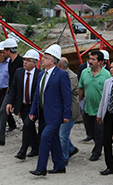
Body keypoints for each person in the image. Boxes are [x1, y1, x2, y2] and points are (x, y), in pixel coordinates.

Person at [29, 44, 72, 176]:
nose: (42, 60)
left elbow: (67, 96)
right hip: (43, 113)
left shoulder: (61, 75)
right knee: (54, 139)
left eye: (45, 57)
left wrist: (66, 114)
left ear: (53, 60)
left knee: (45, 137)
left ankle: (41, 168)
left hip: (55, 114)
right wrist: (33, 111)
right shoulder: (42, 74)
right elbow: (37, 94)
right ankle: (59, 165)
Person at [6, 50, 41, 160]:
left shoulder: (40, 75)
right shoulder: (19, 72)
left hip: (35, 106)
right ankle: (36, 148)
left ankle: (23, 151)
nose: (24, 62)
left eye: (28, 60)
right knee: (29, 126)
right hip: (24, 106)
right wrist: (9, 102)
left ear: (34, 63)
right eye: (24, 60)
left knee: (27, 126)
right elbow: (13, 88)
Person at [79, 50, 111, 162]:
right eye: (89, 59)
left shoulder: (106, 75)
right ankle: (97, 144)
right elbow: (81, 88)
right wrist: (79, 103)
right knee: (90, 131)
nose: (90, 61)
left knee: (99, 132)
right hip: (87, 108)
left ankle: (96, 152)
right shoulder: (84, 72)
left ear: (101, 62)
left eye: (93, 59)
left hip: (100, 110)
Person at [0, 38, 23, 146]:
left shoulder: (20, 62)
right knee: (2, 111)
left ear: (8, 50)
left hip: (18, 93)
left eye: (4, 51)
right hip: (10, 92)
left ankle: (34, 141)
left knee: (25, 116)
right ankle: (0, 137)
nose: (3, 54)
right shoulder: (11, 63)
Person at [57, 57, 81, 165]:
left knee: (62, 134)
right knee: (61, 133)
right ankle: (71, 149)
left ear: (61, 67)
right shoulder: (61, 75)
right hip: (62, 110)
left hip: (71, 111)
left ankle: (64, 158)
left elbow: (63, 92)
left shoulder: (72, 77)